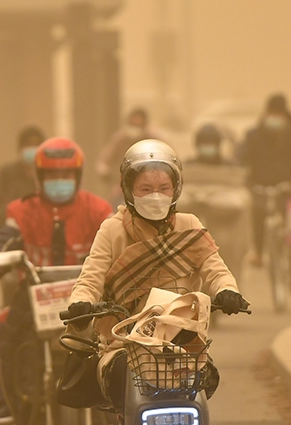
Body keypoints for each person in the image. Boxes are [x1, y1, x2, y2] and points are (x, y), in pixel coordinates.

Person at [66, 139, 247, 403]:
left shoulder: (190, 225)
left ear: (175, 190)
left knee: (203, 382)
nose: (155, 196)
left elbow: (216, 270)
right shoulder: (112, 230)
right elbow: (90, 278)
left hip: (181, 340)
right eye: (146, 189)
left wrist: (228, 291)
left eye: (163, 188)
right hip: (125, 344)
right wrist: (80, 303)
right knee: (119, 378)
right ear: (129, 190)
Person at [0, 137, 113, 425]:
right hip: (33, 298)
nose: (60, 181)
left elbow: (119, 241)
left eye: (66, 175)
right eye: (52, 175)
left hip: (90, 298)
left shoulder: (98, 209)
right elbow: (4, 238)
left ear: (77, 176)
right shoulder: (22, 210)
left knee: (121, 329)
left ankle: (118, 399)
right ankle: (8, 403)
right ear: (40, 177)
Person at [238, 93, 291, 295]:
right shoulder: (253, 135)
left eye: (278, 114)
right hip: (260, 188)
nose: (275, 118)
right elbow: (240, 156)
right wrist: (243, 178)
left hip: (290, 191)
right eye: (272, 113)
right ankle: (258, 252)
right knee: (256, 211)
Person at [178, 123, 251, 284]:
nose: (207, 148)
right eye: (204, 144)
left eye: (210, 144)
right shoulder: (188, 167)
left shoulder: (231, 168)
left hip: (225, 228)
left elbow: (238, 198)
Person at [0, 125, 46, 233]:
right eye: (28, 145)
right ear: (19, 148)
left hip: (41, 241)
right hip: (7, 238)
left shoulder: (49, 177)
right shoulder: (2, 176)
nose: (32, 149)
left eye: (36, 145)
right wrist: (15, 214)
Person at [95, 107, 162, 196]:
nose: (135, 129)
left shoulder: (153, 140)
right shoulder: (120, 139)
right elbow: (104, 160)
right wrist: (104, 170)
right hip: (124, 183)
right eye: (133, 125)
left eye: (139, 126)